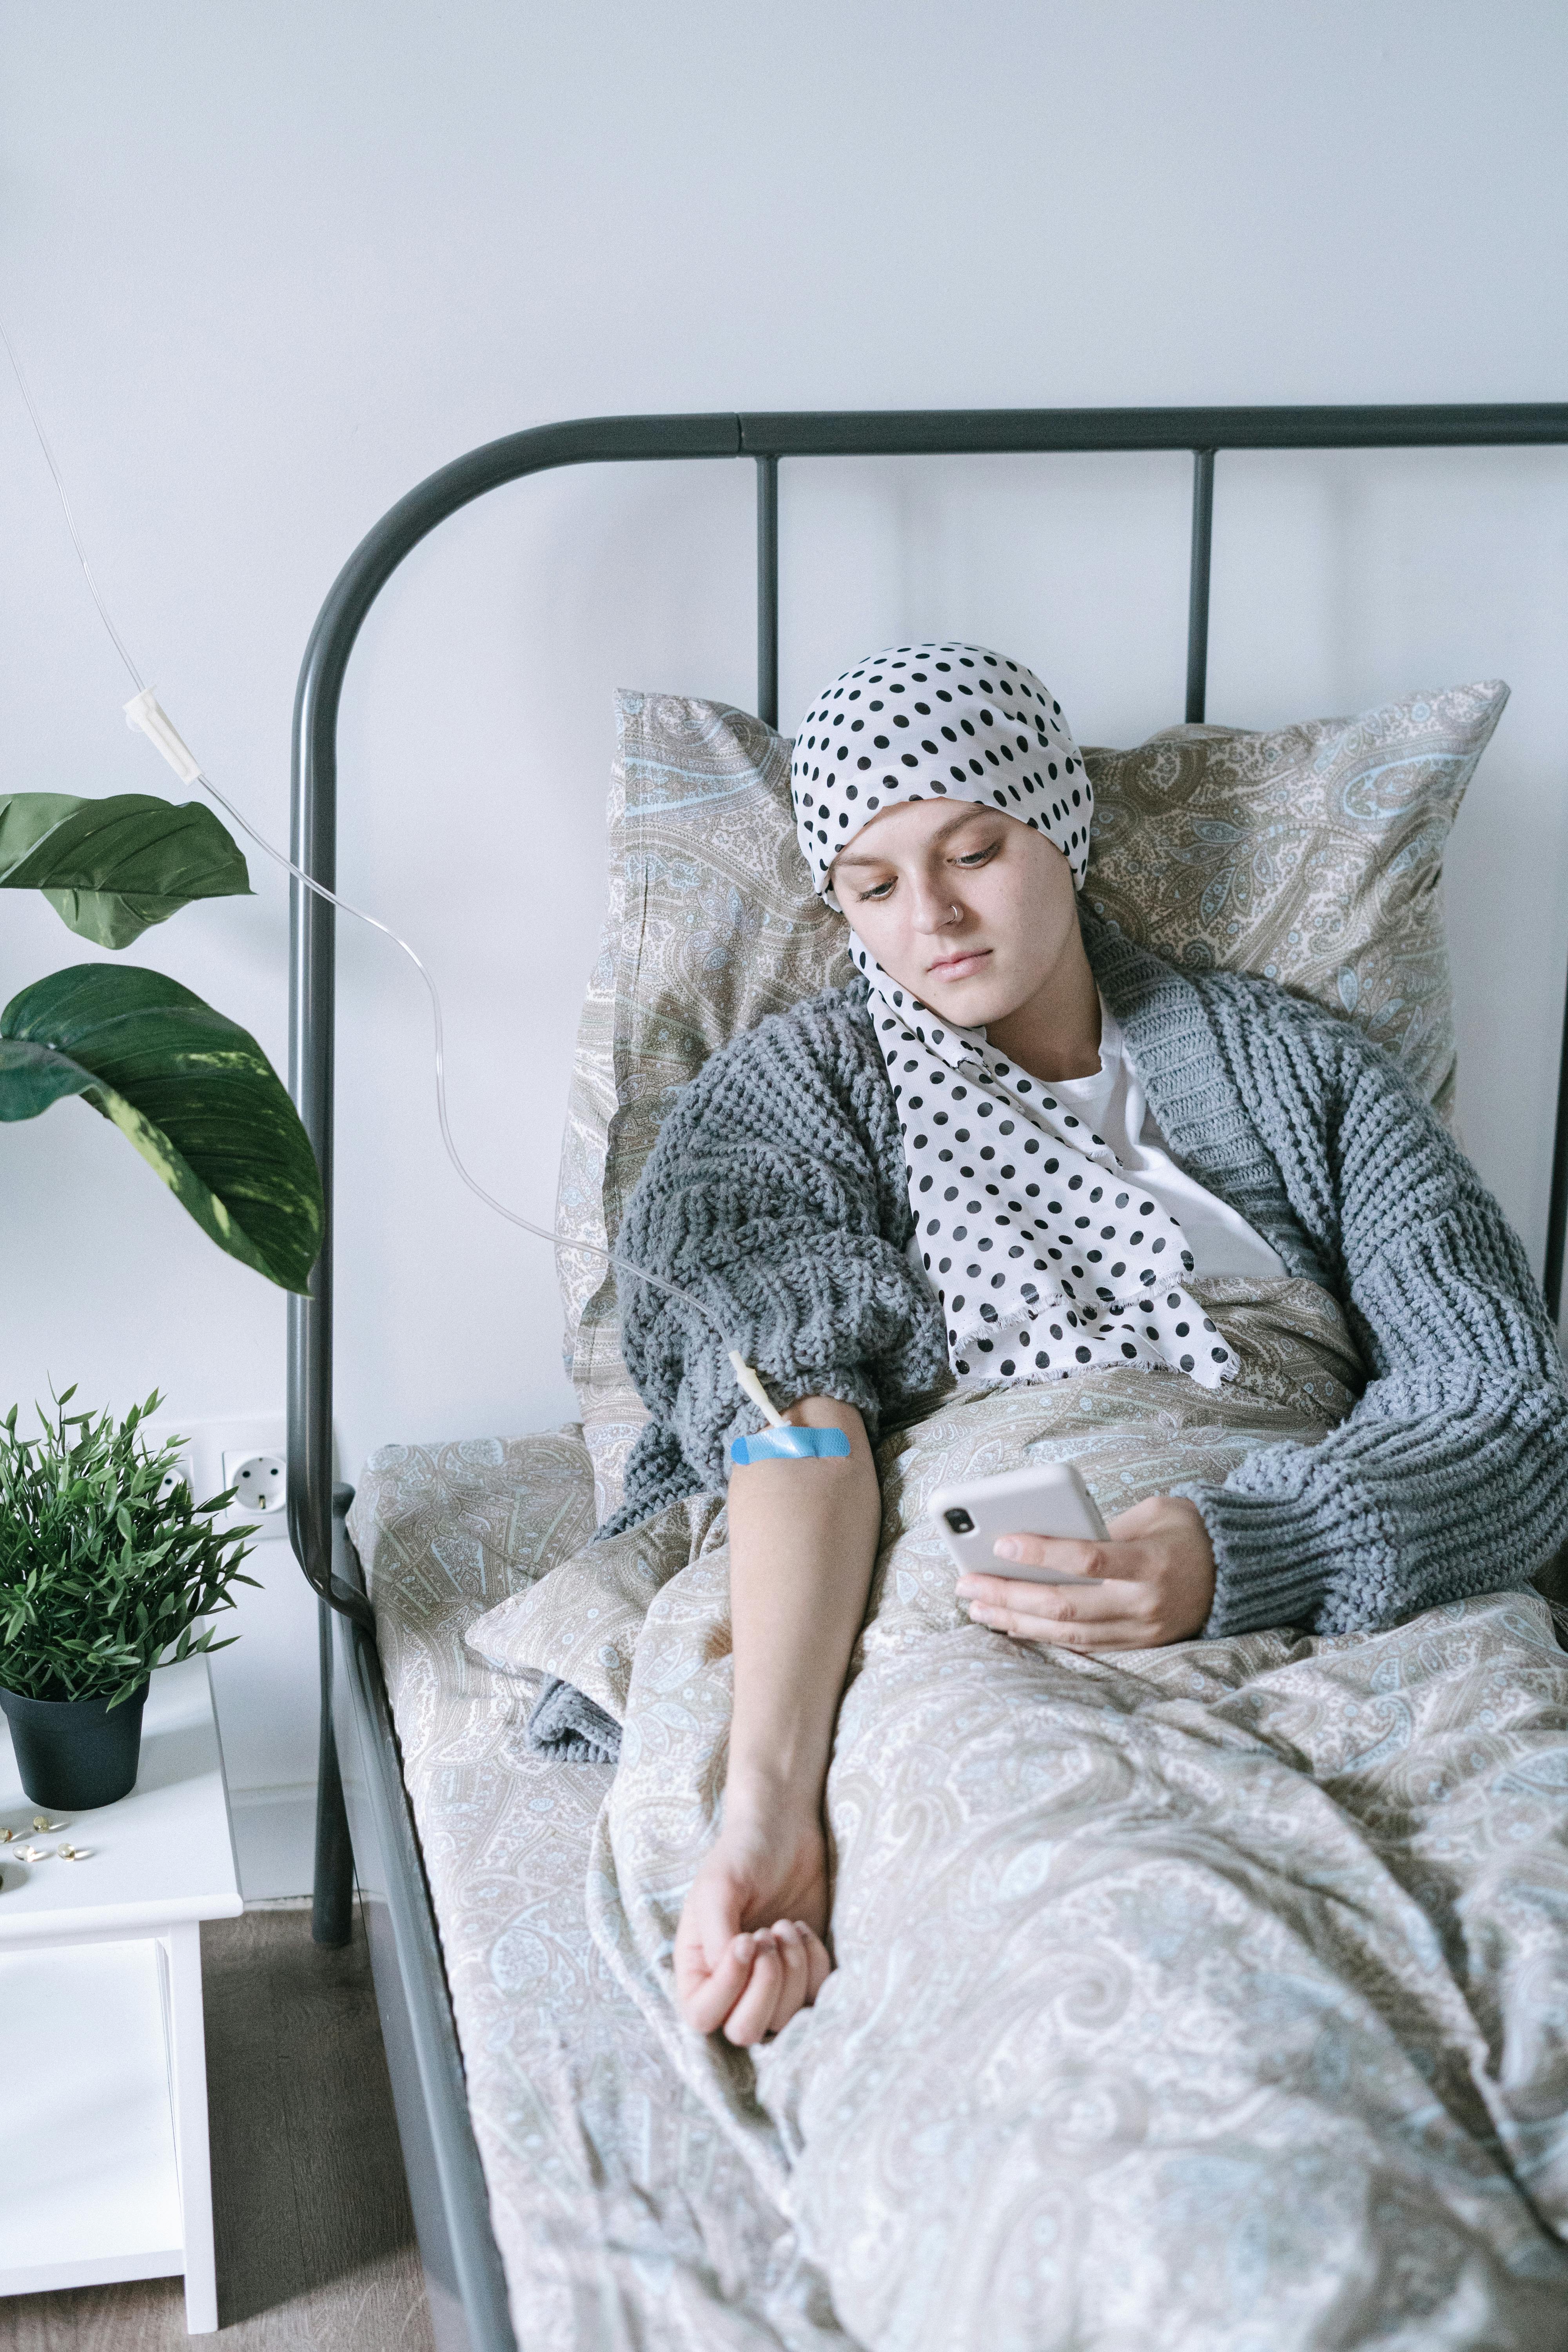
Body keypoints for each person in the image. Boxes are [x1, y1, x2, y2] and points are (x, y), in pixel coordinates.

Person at [602, 641, 1568, 2052]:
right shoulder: (784, 1109)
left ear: (1059, 823)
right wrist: (768, 1801)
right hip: (988, 1624)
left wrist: (1257, 1548)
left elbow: (1502, 1400)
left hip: (1341, 1573)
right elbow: (791, 1427)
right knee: (1122, 1969)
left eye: (974, 850)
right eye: (871, 887)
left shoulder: (1303, 1074)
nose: (930, 915)